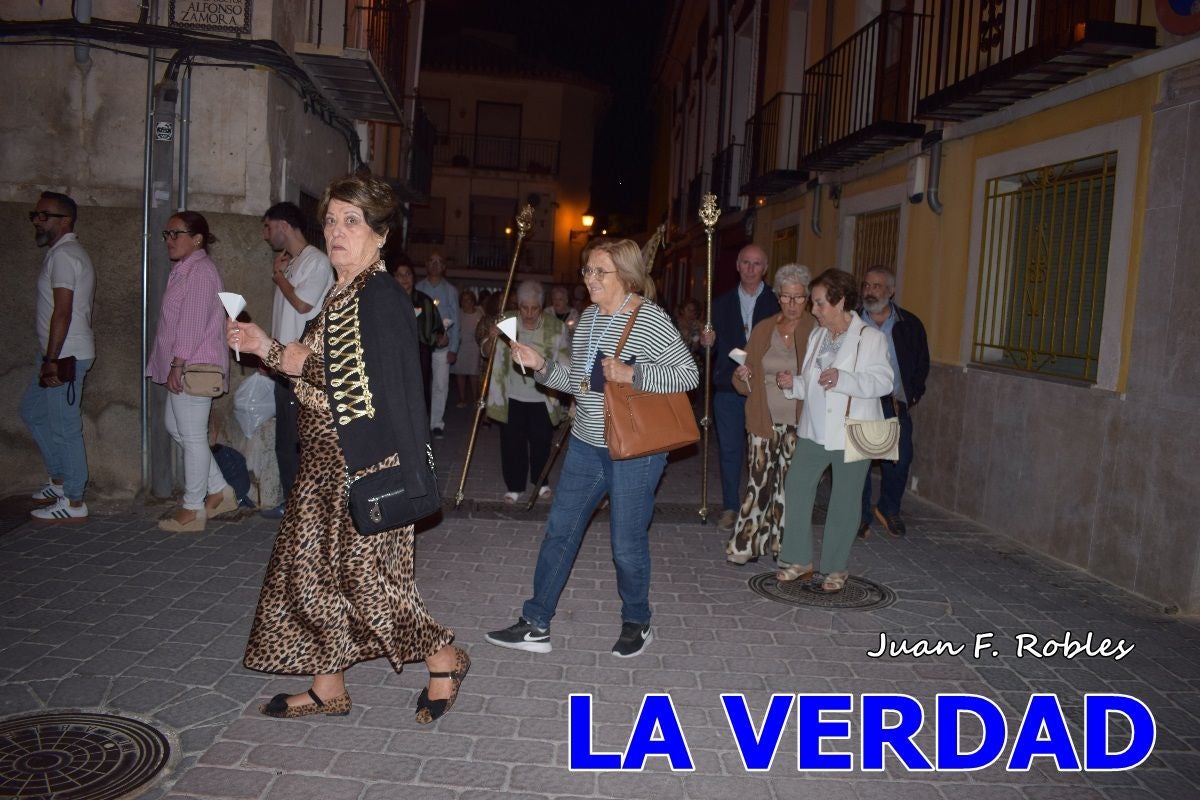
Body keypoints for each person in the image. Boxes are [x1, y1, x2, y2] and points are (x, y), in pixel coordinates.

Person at [228, 173, 467, 724]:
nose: (337, 231)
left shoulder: (380, 297)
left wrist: (288, 357)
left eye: (352, 222)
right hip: (321, 466)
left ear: (380, 235)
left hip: (364, 465)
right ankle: (327, 686)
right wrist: (266, 347)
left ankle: (445, 658)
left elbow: (374, 385)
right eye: (332, 221)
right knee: (312, 578)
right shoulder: (341, 293)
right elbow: (319, 373)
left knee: (369, 584)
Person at [486, 239, 699, 657]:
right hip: (586, 442)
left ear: (627, 275)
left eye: (600, 271)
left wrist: (632, 373)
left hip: (634, 450)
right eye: (587, 270)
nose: (590, 279)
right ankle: (536, 623)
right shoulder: (586, 319)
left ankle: (637, 620)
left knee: (626, 543)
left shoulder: (649, 318)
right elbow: (580, 384)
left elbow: (688, 374)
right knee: (560, 530)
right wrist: (542, 366)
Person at [775, 269, 894, 593]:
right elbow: (811, 382)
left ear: (840, 301)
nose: (813, 310)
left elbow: (884, 382)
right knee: (797, 486)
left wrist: (845, 380)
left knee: (845, 499)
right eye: (813, 303)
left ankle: (835, 567)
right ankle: (799, 559)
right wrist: (792, 384)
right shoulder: (817, 336)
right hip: (815, 428)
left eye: (819, 303)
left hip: (852, 429)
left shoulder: (870, 338)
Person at [146, 211, 238, 533]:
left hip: (194, 365)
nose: (169, 240)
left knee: (193, 435)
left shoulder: (199, 271)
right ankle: (220, 490)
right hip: (189, 363)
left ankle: (193, 508)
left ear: (197, 239)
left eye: (176, 234)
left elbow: (192, 323)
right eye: (167, 234)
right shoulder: (186, 269)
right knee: (177, 427)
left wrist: (177, 363)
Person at [726, 264, 814, 565]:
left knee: (790, 487)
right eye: (786, 297)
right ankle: (746, 545)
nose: (792, 304)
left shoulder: (816, 330)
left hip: (801, 423)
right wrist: (743, 373)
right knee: (758, 483)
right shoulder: (764, 329)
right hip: (763, 419)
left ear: (807, 298)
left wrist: (798, 381)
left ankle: (784, 547)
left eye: (798, 297)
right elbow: (745, 377)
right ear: (778, 297)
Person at [21, 191, 97, 523]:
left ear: (65, 220)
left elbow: (62, 312)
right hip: (55, 354)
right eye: (35, 215)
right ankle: (59, 479)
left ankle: (75, 500)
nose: (37, 221)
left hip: (65, 356)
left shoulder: (65, 256)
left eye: (44, 215)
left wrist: (52, 359)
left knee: (65, 426)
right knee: (32, 411)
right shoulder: (60, 253)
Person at [260, 201, 333, 519]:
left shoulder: (316, 261)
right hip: (282, 364)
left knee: (298, 440)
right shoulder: (290, 262)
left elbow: (303, 305)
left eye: (268, 227)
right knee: (285, 440)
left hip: (302, 368)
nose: (266, 235)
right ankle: (293, 504)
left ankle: (302, 509)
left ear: (284, 225)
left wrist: (279, 277)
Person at [700, 244, 780, 531]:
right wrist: (707, 343)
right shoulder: (719, 303)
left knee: (762, 451)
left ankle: (760, 506)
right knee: (730, 451)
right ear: (737, 265)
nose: (750, 269)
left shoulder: (777, 303)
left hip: (764, 388)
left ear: (765, 268)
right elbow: (711, 347)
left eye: (756, 264)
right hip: (728, 387)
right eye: (745, 262)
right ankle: (731, 507)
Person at [857, 265, 930, 540]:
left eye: (876, 286)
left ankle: (888, 509)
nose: (870, 291)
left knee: (899, 460)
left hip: (895, 403)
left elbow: (922, 363)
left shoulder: (908, 324)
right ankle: (860, 515)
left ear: (891, 291)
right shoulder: (851, 322)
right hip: (861, 401)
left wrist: (913, 394)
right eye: (866, 285)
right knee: (860, 461)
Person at [484, 280, 570, 503]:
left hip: (543, 397)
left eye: (535, 308)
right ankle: (514, 486)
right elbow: (486, 352)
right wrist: (491, 338)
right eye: (524, 307)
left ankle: (541, 482)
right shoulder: (506, 321)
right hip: (511, 395)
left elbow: (566, 362)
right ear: (518, 305)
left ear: (542, 306)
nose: (529, 313)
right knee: (512, 443)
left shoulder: (556, 327)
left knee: (542, 443)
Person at [392, 260, 444, 414]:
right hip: (393, 355)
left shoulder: (425, 301)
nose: (404, 278)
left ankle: (421, 428)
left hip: (420, 355)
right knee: (396, 394)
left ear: (413, 277)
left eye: (408, 274)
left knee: (420, 395)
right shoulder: (387, 301)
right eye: (399, 275)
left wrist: (440, 338)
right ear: (393, 278)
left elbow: (438, 328)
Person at [416, 252, 459, 437]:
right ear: (426, 264)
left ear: (444, 267)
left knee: (440, 386)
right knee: (419, 385)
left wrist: (453, 348)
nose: (434, 265)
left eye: (439, 262)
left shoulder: (451, 291)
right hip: (422, 346)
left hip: (442, 347)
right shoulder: (418, 288)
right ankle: (420, 421)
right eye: (431, 261)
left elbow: (456, 320)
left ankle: (436, 424)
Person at [453, 289, 483, 407]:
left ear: (473, 301)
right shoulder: (458, 313)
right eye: (464, 300)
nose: (467, 302)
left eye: (469, 299)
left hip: (474, 347)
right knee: (460, 373)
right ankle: (462, 399)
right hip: (460, 347)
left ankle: (476, 399)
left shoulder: (479, 314)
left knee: (473, 374)